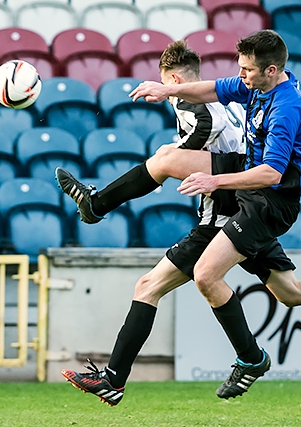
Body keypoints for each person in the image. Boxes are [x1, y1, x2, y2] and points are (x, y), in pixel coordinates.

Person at [58, 30, 301, 406]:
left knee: (204, 274)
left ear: (270, 69)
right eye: (241, 67)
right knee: (291, 293)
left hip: (267, 203)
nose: (242, 74)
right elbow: (213, 89)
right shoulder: (258, 84)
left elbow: (271, 173)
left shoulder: (286, 108)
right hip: (247, 196)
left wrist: (213, 179)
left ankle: (248, 359)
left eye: (248, 69)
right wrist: (167, 90)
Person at [58, 39, 247, 406]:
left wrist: (175, 155)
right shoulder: (224, 100)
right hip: (244, 212)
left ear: (173, 78)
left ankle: (96, 204)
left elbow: (204, 124)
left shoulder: (189, 100)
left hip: (219, 224)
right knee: (292, 291)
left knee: (149, 285)